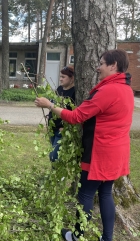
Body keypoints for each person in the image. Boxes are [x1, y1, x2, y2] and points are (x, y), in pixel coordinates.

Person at [35, 49, 133, 241]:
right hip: (117, 152)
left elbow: (75, 117)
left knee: (85, 194)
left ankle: (77, 236)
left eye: (102, 63)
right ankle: (107, 238)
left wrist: (50, 105)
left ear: (113, 66)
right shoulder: (126, 89)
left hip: (100, 152)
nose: (98, 67)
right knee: (105, 193)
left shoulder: (108, 90)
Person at [48, 66, 75, 162]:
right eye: (60, 76)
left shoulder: (74, 92)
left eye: (63, 77)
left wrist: (66, 127)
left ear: (72, 78)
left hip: (62, 130)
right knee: (53, 154)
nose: (60, 79)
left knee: (54, 156)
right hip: (53, 127)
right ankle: (55, 175)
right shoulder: (59, 89)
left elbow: (74, 113)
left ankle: (59, 176)